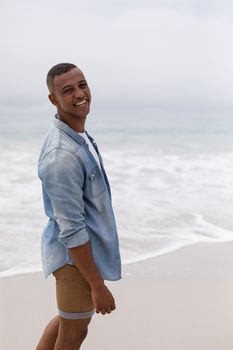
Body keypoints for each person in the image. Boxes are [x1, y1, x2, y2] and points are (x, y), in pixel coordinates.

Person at [36, 63, 121, 350]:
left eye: (82, 85)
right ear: (53, 99)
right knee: (73, 336)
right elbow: (71, 230)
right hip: (74, 260)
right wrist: (98, 286)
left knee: (67, 322)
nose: (79, 94)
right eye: (67, 90)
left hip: (81, 256)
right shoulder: (62, 156)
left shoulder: (79, 136)